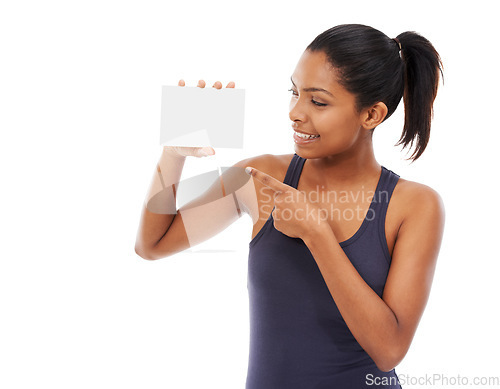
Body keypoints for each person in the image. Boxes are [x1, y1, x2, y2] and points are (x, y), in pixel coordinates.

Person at [135, 23, 445, 389]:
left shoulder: (414, 205)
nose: (295, 112)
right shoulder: (261, 176)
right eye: (293, 92)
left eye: (318, 101)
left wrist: (316, 234)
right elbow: (151, 246)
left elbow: (389, 349)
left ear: (372, 115)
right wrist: (174, 154)